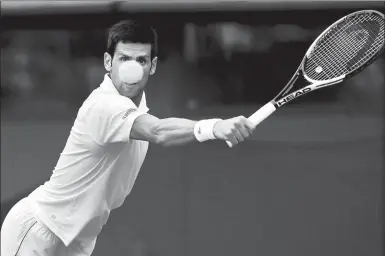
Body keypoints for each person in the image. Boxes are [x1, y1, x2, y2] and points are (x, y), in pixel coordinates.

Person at [1, 19, 255, 256]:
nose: (131, 69)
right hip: (38, 228)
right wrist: (214, 127)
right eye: (123, 59)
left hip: (77, 237)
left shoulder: (137, 109)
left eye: (141, 61)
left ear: (152, 66)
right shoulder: (104, 106)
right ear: (108, 62)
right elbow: (158, 131)